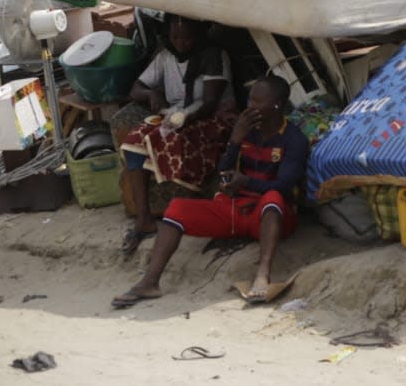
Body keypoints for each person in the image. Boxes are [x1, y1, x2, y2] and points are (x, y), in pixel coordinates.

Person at [112, 75, 308, 307]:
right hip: (236, 207)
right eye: (250, 100)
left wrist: (245, 181)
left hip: (271, 216)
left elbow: (283, 187)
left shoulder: (294, 139)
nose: (250, 107)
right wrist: (235, 140)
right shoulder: (246, 130)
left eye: (257, 102)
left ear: (277, 105)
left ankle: (263, 276)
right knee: (176, 209)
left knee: (273, 198)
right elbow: (224, 169)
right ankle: (150, 282)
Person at [117, 15, 238, 256]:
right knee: (133, 140)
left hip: (211, 116)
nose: (181, 43)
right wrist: (150, 95)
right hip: (174, 117)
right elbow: (135, 88)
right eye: (175, 37)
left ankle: (194, 213)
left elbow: (210, 102)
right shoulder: (165, 57)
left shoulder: (214, 56)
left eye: (187, 37)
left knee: (169, 141)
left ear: (199, 35)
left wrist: (182, 118)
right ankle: (143, 218)